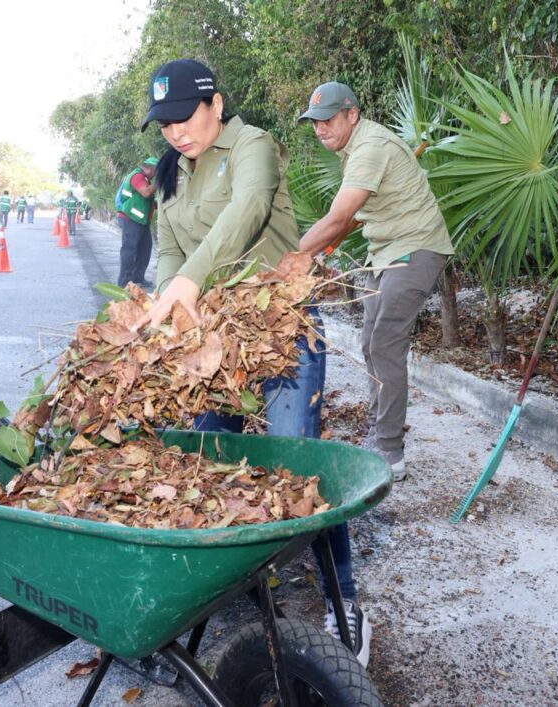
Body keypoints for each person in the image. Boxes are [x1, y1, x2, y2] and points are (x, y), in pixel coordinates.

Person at [137, 58, 371, 666]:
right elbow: (167, 250)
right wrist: (170, 306)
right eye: (163, 124)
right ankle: (232, 589)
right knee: (207, 457)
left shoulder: (254, 147)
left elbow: (243, 216)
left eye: (183, 117)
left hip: (282, 330)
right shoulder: (173, 172)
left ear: (215, 104)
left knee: (300, 467)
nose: (175, 133)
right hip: (217, 340)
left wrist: (189, 281)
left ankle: (344, 602)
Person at [298, 82, 455, 482]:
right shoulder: (354, 149)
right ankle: (378, 431)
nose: (320, 129)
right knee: (369, 341)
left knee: (384, 341)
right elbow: (350, 216)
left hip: (415, 248)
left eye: (327, 120)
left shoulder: (370, 148)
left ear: (352, 114)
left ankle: (389, 452)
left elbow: (337, 217)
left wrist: (296, 255)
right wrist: (320, 248)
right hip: (384, 252)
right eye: (314, 123)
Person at [116, 156, 158, 289]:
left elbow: (146, 200)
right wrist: (160, 183)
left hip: (141, 221)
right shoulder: (137, 176)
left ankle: (138, 278)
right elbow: (145, 193)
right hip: (130, 219)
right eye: (156, 171)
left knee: (145, 249)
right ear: (150, 168)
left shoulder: (145, 179)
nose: (156, 174)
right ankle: (124, 282)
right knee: (129, 250)